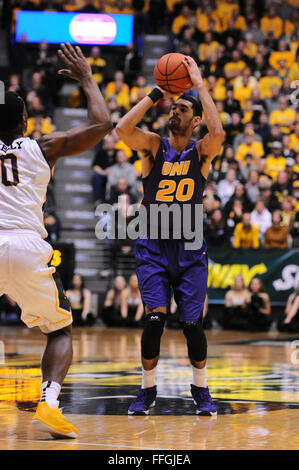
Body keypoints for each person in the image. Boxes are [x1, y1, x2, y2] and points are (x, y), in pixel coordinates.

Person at [0, 43, 112, 439]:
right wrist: (85, 77)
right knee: (60, 330)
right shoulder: (42, 147)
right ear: (25, 121)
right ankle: (48, 402)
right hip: (27, 245)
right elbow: (102, 124)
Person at [116, 55, 224, 416]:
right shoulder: (153, 145)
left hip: (191, 248)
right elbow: (121, 130)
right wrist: (156, 92)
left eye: (182, 108)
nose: (174, 111)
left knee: (192, 324)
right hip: (154, 245)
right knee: (154, 319)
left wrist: (199, 85)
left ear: (195, 121)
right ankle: (147, 390)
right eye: (173, 106)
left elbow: (219, 133)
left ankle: (200, 387)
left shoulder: (201, 150)